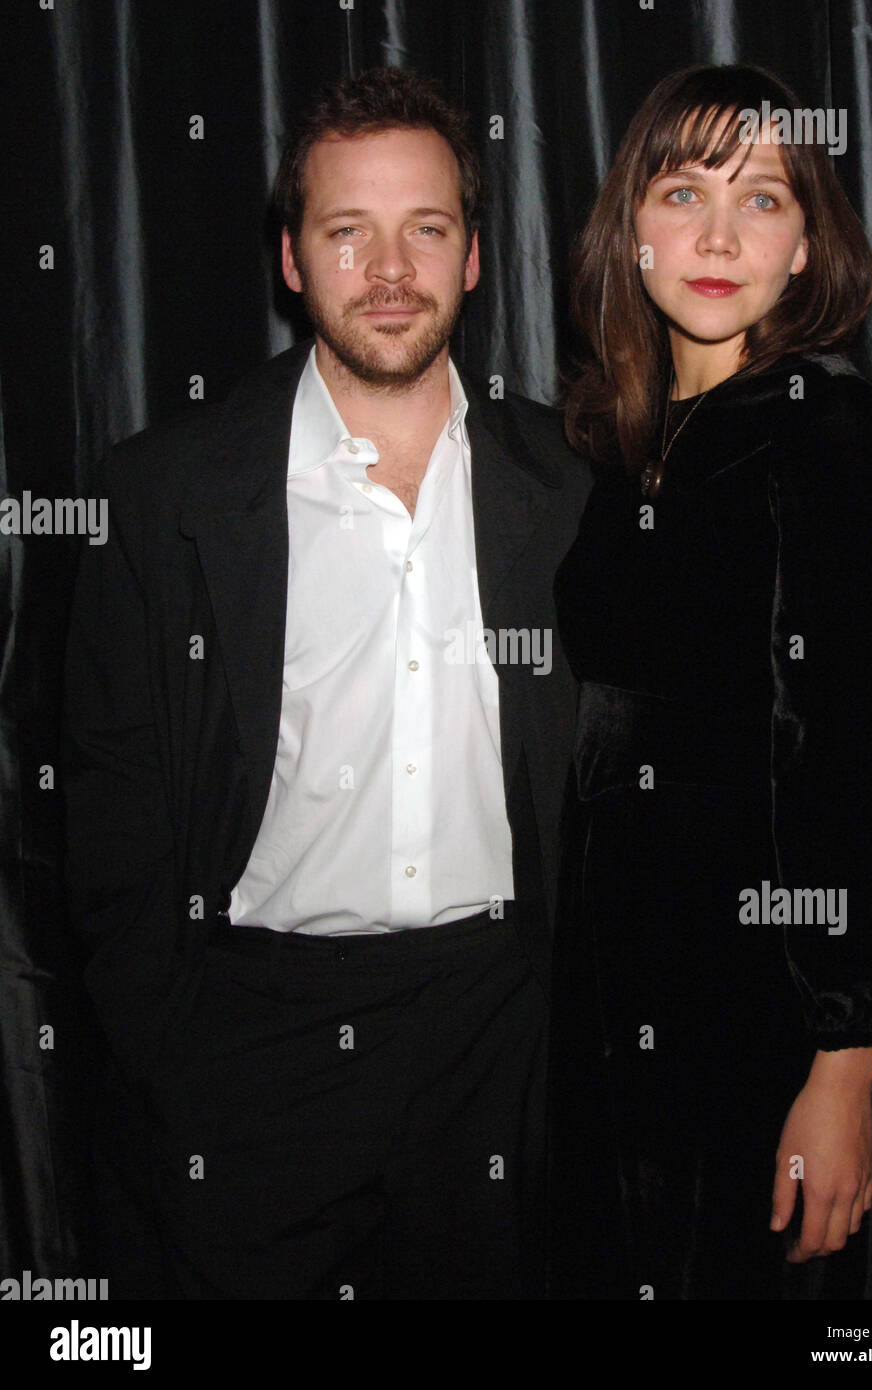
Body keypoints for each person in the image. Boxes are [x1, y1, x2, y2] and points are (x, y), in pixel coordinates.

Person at [61, 67, 590, 1300]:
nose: (390, 269)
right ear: (293, 259)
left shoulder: (571, 487)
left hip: (498, 1039)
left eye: (427, 230)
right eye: (348, 232)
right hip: (256, 1043)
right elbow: (109, 814)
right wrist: (176, 1053)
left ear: (472, 258)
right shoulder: (164, 495)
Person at [547, 64, 872, 1300]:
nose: (718, 234)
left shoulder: (823, 426)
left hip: (756, 1013)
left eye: (762, 199)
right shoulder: (629, 444)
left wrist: (843, 1062)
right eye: (682, 190)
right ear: (632, 228)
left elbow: (860, 752)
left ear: (808, 244)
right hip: (615, 996)